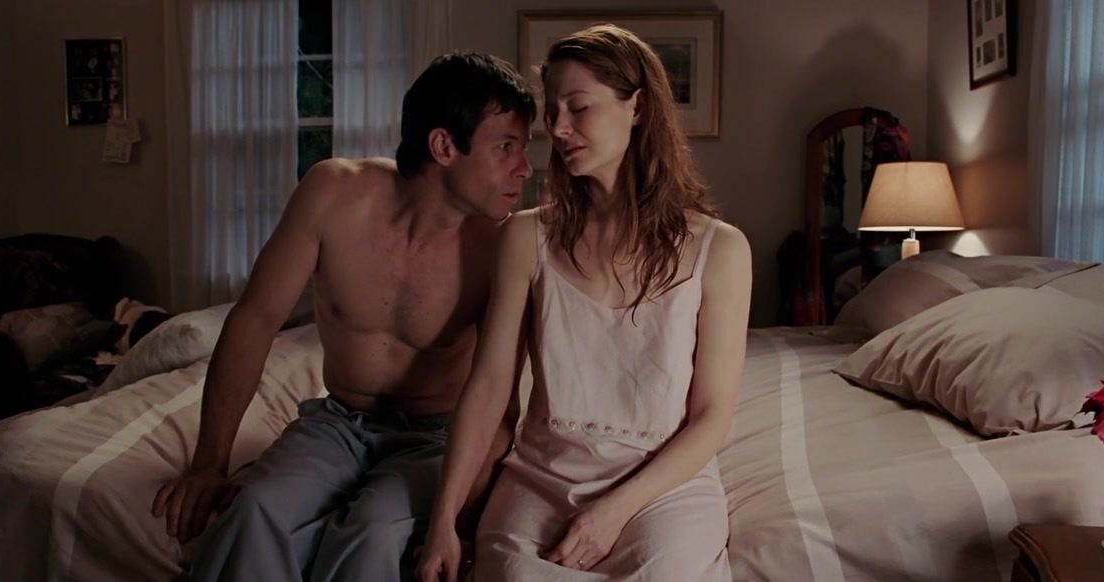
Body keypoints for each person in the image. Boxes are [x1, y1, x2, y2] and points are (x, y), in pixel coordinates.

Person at [150, 52, 536, 581]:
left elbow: (500, 402)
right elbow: (255, 320)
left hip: (439, 438)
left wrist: (459, 518)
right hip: (337, 422)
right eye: (506, 147)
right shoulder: (333, 193)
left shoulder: (503, 246)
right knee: (256, 509)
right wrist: (208, 464)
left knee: (373, 533)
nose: (525, 168)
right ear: (444, 146)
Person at [417, 24, 751, 582]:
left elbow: (712, 417)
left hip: (662, 486)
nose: (558, 128)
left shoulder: (720, 249)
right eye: (553, 112)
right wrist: (444, 520)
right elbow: (490, 387)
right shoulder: (525, 236)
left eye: (578, 107)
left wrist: (612, 514)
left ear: (637, 107)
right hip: (542, 475)